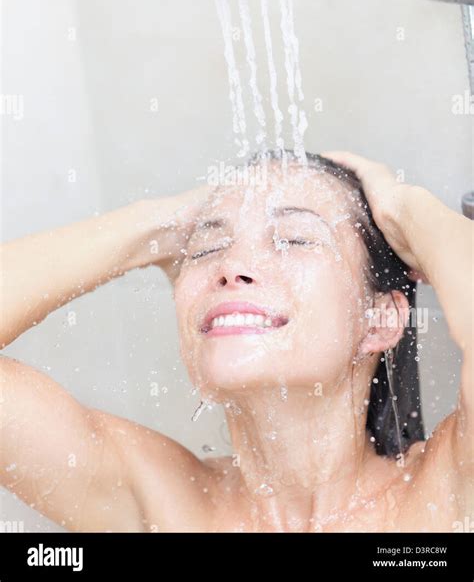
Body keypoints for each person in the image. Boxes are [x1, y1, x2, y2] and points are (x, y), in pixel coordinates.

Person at [0, 150, 472, 532]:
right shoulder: (158, 502)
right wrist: (155, 227)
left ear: (379, 319)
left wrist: (408, 209)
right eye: (207, 248)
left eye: (294, 238)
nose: (230, 267)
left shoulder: (451, 490)